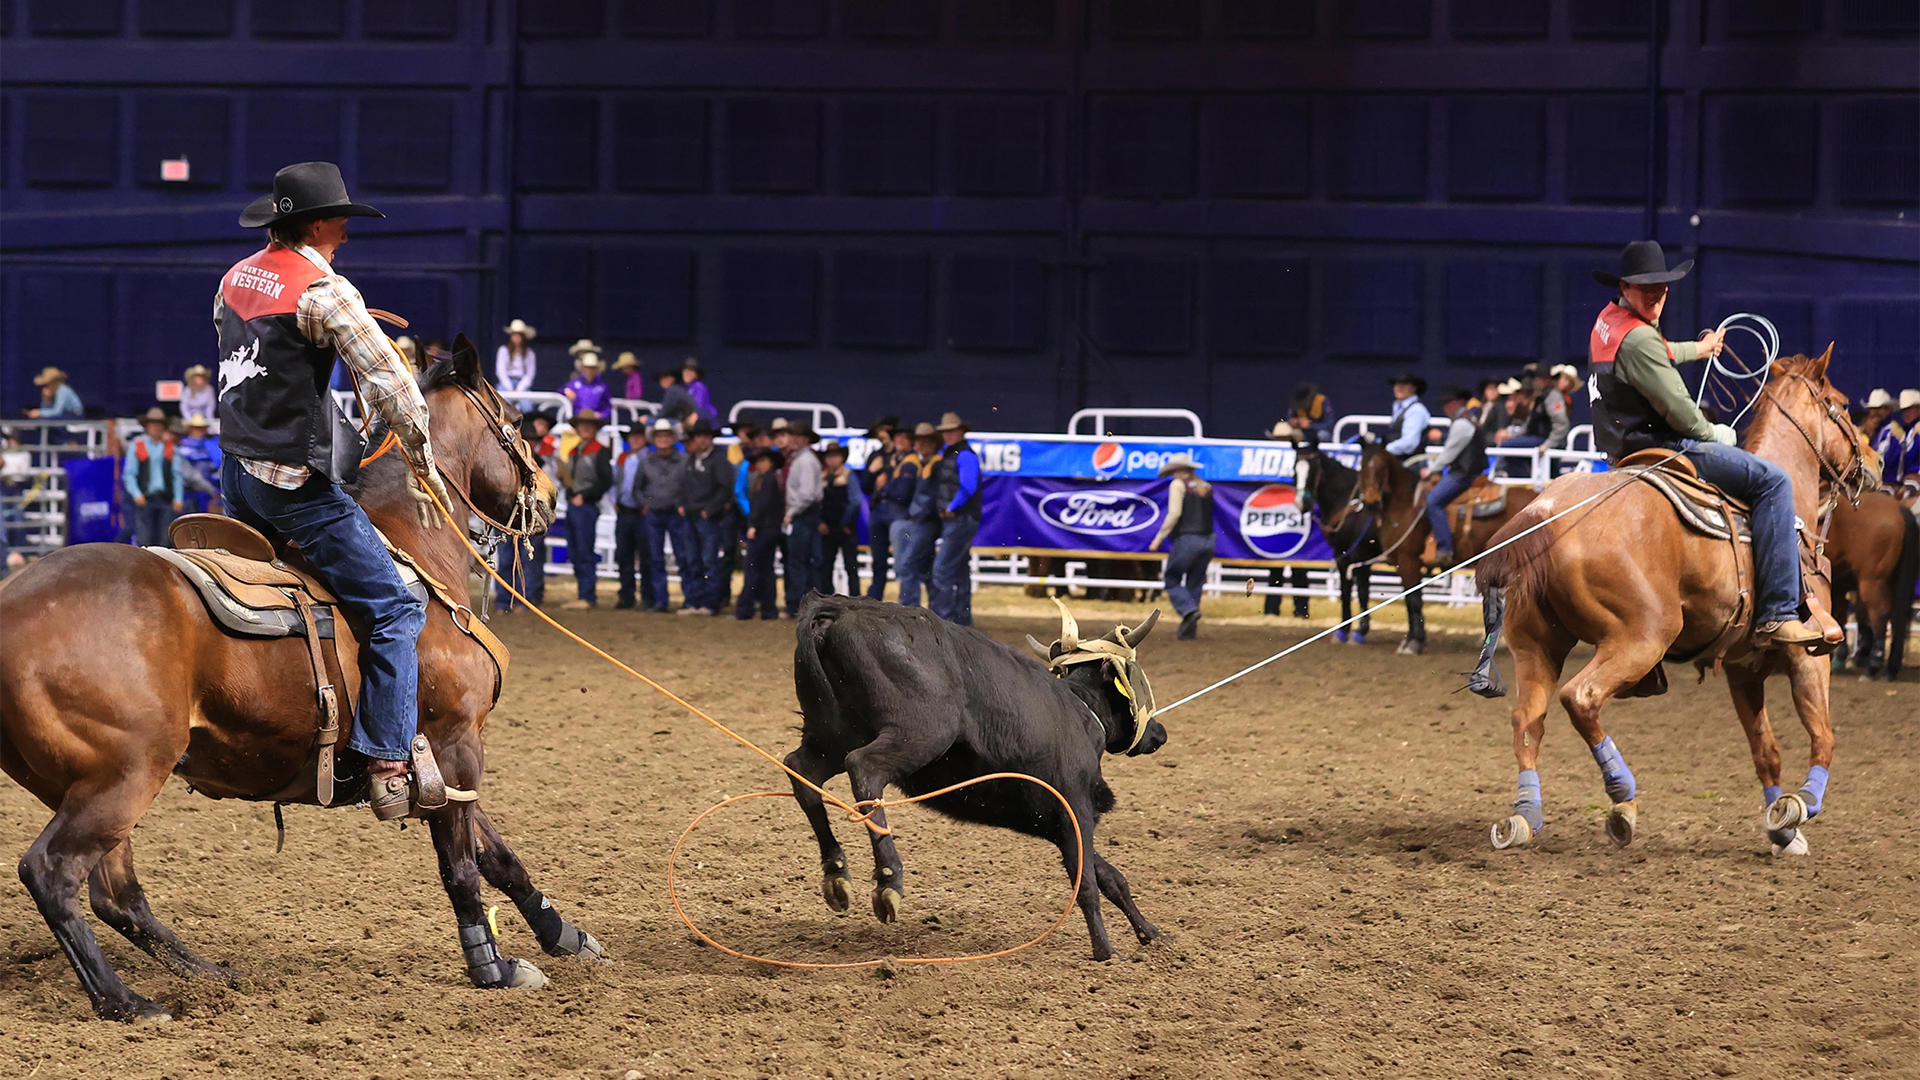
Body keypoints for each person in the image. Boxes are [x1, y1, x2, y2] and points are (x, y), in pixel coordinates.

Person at [214, 161, 453, 819]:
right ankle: (387, 757)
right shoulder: (326, 288)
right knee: (396, 607)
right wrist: (423, 459)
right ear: (318, 223)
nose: (347, 230)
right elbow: (394, 386)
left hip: (237, 473)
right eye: (341, 219)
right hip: (293, 481)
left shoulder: (236, 277)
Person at [1587, 239, 1825, 649]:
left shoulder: (1610, 320)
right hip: (1659, 445)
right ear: (1625, 286)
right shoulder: (1641, 339)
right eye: (1647, 288)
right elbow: (1683, 414)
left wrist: (1699, 350)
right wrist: (1722, 434)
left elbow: (1654, 354)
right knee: (1774, 482)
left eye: (1661, 288)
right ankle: (1778, 612)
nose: (1657, 296)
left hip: (1620, 445)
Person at [1418, 387, 1488, 568]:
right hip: (1469, 470)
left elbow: (1449, 453)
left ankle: (1444, 548)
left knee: (1433, 501)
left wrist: (1432, 470)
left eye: (1447, 403)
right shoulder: (1467, 420)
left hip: (1463, 472)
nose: (1445, 407)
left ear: (1458, 402)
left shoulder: (1461, 424)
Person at [1148, 454, 1214, 641]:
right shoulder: (1205, 486)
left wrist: (1159, 538)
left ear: (1176, 470)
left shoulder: (1178, 484)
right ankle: (1188, 630)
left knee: (1171, 578)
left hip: (1187, 539)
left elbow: (1174, 513)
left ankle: (1188, 610)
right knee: (1195, 581)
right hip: (1208, 540)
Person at [555, 409, 613, 609]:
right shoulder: (576, 451)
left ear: (595, 429)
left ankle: (587, 595)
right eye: (582, 425)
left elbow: (606, 480)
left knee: (584, 550)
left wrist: (585, 495)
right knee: (576, 549)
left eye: (589, 425)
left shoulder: (599, 450)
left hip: (586, 506)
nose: (585, 428)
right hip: (576, 504)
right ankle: (584, 593)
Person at [635, 417, 694, 614]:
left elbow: (689, 485)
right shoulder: (646, 462)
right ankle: (661, 600)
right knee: (656, 558)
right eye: (659, 436)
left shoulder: (684, 461)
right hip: (654, 514)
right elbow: (638, 489)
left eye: (666, 435)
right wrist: (645, 503)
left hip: (675, 514)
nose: (662, 439)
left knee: (683, 556)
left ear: (672, 438)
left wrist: (683, 504)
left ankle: (689, 599)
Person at [927, 412, 981, 625]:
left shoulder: (963, 455)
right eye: (945, 432)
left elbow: (968, 487)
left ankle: (944, 621)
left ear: (960, 432)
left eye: (950, 431)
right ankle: (961, 621)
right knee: (958, 571)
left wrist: (951, 506)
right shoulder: (959, 454)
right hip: (962, 518)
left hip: (960, 518)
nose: (948, 435)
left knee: (942, 571)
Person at [679, 419, 734, 615]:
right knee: (693, 559)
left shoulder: (717, 460)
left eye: (705, 436)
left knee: (708, 560)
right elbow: (683, 486)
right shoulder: (692, 460)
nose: (702, 440)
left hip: (708, 517)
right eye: (698, 437)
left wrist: (711, 509)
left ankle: (709, 603)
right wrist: (683, 504)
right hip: (692, 515)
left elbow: (725, 488)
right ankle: (694, 601)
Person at [734, 449, 785, 621]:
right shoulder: (771, 479)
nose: (760, 464)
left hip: (764, 529)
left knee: (753, 568)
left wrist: (754, 524)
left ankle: (745, 609)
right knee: (766, 569)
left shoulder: (767, 480)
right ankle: (768, 609)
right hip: (771, 529)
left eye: (764, 460)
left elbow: (761, 505)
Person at [122, 408, 185, 546]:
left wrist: (178, 498)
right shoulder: (137, 447)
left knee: (164, 541)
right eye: (152, 424)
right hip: (145, 498)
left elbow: (177, 475)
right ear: (147, 426)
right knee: (144, 540)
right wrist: (136, 494)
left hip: (165, 499)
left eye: (159, 424)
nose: (156, 427)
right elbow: (129, 474)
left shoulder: (171, 448)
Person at [610, 423, 656, 611]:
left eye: (638, 436)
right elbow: (615, 482)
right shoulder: (623, 458)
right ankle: (628, 595)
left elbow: (655, 484)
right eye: (632, 436)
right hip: (625, 511)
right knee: (624, 555)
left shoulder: (650, 458)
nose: (635, 439)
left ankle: (647, 595)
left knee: (646, 556)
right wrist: (615, 500)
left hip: (641, 513)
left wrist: (649, 503)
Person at [781, 420, 825, 617]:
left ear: (806, 440)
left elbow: (806, 494)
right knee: (804, 561)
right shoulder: (804, 459)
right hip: (805, 514)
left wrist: (791, 512)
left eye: (797, 436)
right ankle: (806, 606)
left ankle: (800, 607)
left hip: (803, 514)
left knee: (799, 561)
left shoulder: (804, 461)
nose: (793, 440)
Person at [894, 422, 940, 608]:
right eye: (918, 441)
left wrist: (918, 514)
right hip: (925, 521)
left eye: (924, 441)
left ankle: (909, 611)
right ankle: (936, 611)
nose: (919, 445)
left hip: (925, 522)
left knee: (908, 566)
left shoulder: (934, 465)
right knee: (926, 569)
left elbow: (931, 498)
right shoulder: (929, 464)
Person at [864, 420, 909, 600]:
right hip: (880, 508)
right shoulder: (877, 456)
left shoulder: (903, 456)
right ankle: (876, 597)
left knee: (902, 557)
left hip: (895, 509)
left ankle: (905, 598)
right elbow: (865, 486)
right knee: (879, 558)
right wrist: (871, 472)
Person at [817, 440, 866, 595]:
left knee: (850, 565)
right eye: (829, 456)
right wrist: (820, 522)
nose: (832, 460)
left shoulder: (848, 476)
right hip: (829, 528)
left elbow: (855, 502)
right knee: (826, 566)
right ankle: (828, 599)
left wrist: (844, 522)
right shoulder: (823, 477)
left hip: (844, 528)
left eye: (835, 456)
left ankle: (855, 601)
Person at [176, 414, 222, 513]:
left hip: (208, 491)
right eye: (196, 428)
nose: (199, 431)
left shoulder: (209, 446)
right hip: (189, 490)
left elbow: (216, 464)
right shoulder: (183, 446)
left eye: (201, 428)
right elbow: (189, 473)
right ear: (190, 429)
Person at [1382, 373, 1431, 460]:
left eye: (1404, 385)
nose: (1398, 387)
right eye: (1396, 384)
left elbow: (1410, 443)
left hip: (1410, 463)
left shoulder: (1416, 410)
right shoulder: (1398, 407)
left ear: (1413, 388)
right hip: (1398, 461)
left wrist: (1385, 450)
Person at [27, 367, 84, 433]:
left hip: (73, 417)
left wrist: (40, 412)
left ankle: (64, 441)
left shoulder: (62, 390)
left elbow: (57, 411)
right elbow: (48, 409)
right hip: (62, 416)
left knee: (44, 422)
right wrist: (46, 400)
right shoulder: (53, 392)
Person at [562, 344, 612, 417]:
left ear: (597, 369)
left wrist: (601, 414)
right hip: (577, 418)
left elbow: (607, 406)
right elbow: (561, 392)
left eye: (592, 368)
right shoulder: (575, 383)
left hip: (595, 420)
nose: (589, 371)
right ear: (583, 368)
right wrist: (566, 391)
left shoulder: (602, 387)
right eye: (587, 367)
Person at [496, 319, 537, 404]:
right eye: (514, 334)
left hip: (522, 383)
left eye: (519, 335)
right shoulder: (503, 350)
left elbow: (530, 374)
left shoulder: (529, 353)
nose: (516, 337)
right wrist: (510, 388)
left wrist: (520, 389)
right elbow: (501, 371)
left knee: (527, 406)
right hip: (506, 383)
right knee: (502, 404)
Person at [680, 357, 718, 426]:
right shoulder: (683, 388)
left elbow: (697, 409)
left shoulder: (699, 387)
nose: (687, 373)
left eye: (690, 371)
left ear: (696, 375)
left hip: (706, 420)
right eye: (685, 371)